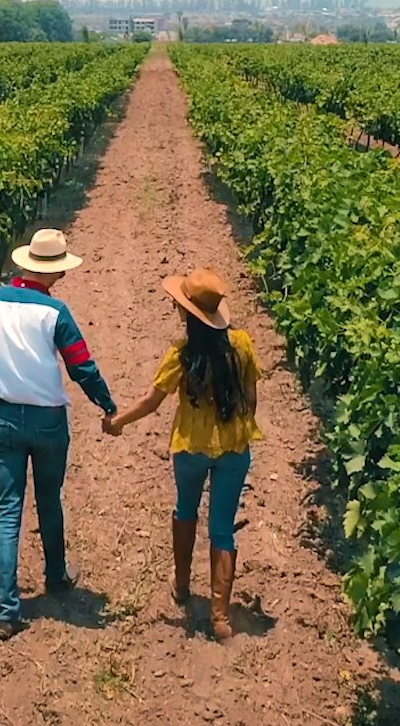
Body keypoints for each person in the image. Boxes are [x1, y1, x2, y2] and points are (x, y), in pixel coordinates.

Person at [0, 227, 118, 639]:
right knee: (48, 499)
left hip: (5, 419)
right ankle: (55, 576)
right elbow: (81, 365)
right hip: (48, 420)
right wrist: (106, 404)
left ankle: (7, 608)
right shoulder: (55, 313)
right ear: (51, 272)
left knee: (7, 510)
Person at [103, 267, 261, 641]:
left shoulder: (183, 354)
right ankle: (220, 616)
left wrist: (117, 422)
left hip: (190, 447)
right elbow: (251, 398)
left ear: (188, 314)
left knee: (185, 510)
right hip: (234, 449)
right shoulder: (242, 345)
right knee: (222, 528)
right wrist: (239, 430)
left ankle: (181, 584)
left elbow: (151, 401)